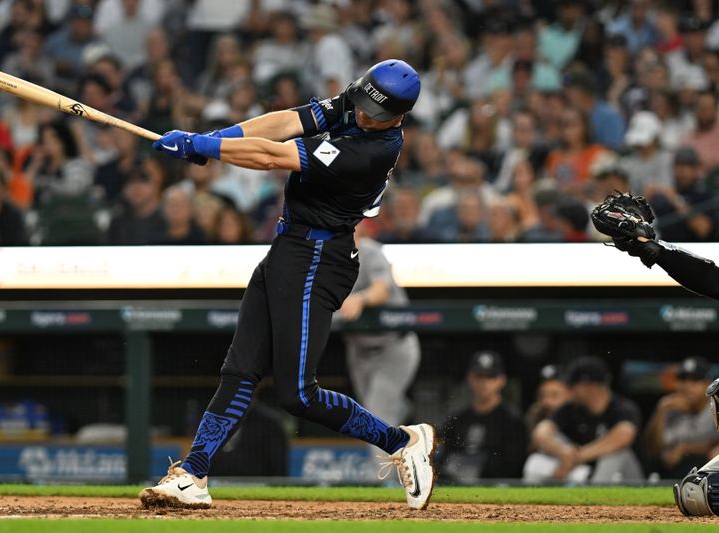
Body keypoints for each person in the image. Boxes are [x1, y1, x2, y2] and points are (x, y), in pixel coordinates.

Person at [138, 60, 435, 510]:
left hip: (320, 257)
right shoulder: (356, 107)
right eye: (359, 104)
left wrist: (204, 147)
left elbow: (274, 155)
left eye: (372, 113)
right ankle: (192, 475)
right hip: (289, 250)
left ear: (397, 116)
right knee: (240, 371)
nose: (359, 116)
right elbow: (284, 122)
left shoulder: (373, 151)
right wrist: (217, 140)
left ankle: (400, 441)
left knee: (297, 392)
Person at [336, 232, 421, 429]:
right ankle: (400, 411)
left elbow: (382, 289)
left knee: (374, 417)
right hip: (359, 351)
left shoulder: (369, 251)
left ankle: (384, 453)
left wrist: (360, 299)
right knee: (368, 412)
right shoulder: (325, 259)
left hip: (393, 347)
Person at [526, 356, 644, 483]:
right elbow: (541, 432)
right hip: (583, 472)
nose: (569, 390)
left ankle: (596, 496)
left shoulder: (622, 407)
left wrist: (580, 455)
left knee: (617, 453)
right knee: (545, 450)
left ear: (589, 386)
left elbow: (623, 436)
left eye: (573, 385)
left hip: (625, 478)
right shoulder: (571, 407)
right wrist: (562, 451)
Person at [437, 350, 528, 482]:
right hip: (457, 486)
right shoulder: (457, 419)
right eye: (479, 376)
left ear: (502, 380)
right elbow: (443, 457)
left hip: (497, 488)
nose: (484, 383)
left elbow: (515, 466)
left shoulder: (513, 420)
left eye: (490, 377)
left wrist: (482, 466)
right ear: (469, 378)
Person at [644, 356, 719, 478]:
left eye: (695, 381)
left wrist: (685, 448)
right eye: (683, 380)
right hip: (674, 473)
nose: (687, 386)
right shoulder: (670, 408)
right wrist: (661, 411)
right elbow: (654, 449)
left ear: (708, 384)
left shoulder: (716, 405)